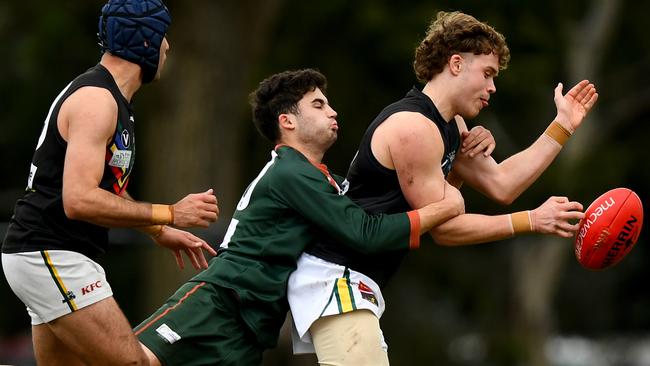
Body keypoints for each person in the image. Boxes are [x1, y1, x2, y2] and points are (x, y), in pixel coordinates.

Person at [287, 10, 599, 365]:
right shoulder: (414, 127)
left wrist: (562, 125)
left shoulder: (450, 125)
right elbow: (445, 229)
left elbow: (502, 184)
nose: (492, 87)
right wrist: (532, 220)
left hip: (352, 280)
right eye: (487, 73)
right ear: (455, 64)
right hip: (335, 276)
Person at [133, 68, 500, 365]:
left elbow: (386, 209)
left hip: (252, 325)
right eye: (319, 105)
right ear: (287, 122)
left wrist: (453, 166)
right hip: (219, 302)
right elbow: (366, 232)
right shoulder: (291, 172)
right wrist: (443, 206)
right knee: (128, 359)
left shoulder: (324, 180)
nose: (333, 112)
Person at [1, 0, 219, 364]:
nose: (168, 47)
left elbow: (106, 189)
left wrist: (157, 229)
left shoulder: (111, 99)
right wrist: (170, 213)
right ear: (147, 43)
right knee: (135, 362)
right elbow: (79, 199)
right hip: (51, 252)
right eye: (164, 37)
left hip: (49, 255)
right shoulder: (97, 101)